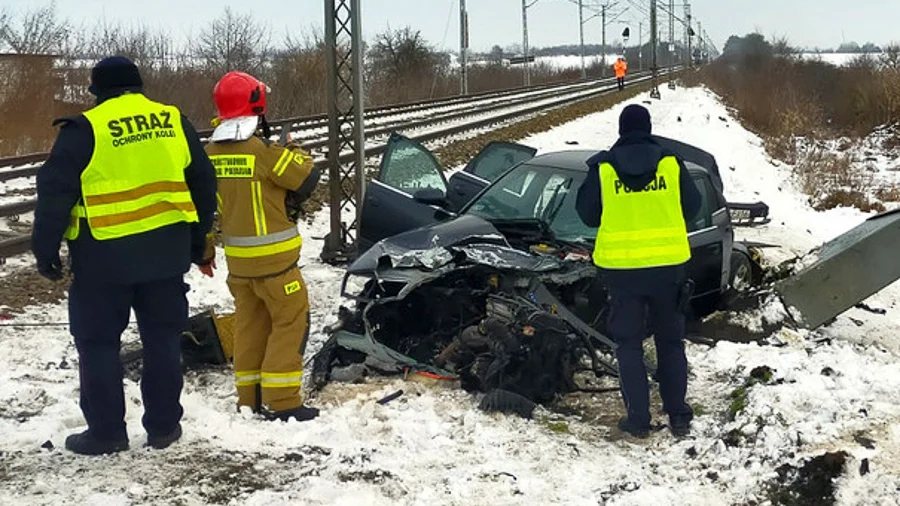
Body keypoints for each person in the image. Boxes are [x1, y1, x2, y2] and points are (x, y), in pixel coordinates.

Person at [31, 56, 217, 455]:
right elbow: (202, 180)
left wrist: (45, 251)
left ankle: (107, 433)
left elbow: (54, 194)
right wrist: (198, 238)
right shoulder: (172, 121)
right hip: (166, 255)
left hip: (103, 260)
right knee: (163, 340)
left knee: (98, 345)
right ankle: (164, 427)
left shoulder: (85, 128)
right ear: (139, 86)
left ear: (97, 91)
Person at [575, 104, 701, 438]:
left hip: (623, 271)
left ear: (621, 131)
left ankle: (639, 420)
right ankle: (679, 416)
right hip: (668, 269)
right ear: (647, 129)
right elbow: (694, 207)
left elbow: (587, 214)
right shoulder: (671, 164)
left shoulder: (603, 168)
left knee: (628, 345)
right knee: (671, 342)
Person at [203, 71, 321, 422]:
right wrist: (295, 148)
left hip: (239, 265)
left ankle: (249, 398)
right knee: (290, 324)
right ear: (257, 104)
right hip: (277, 264)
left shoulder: (208, 154)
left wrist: (206, 251)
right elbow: (305, 176)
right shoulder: (263, 151)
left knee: (249, 327)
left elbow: (203, 208)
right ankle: (284, 401)